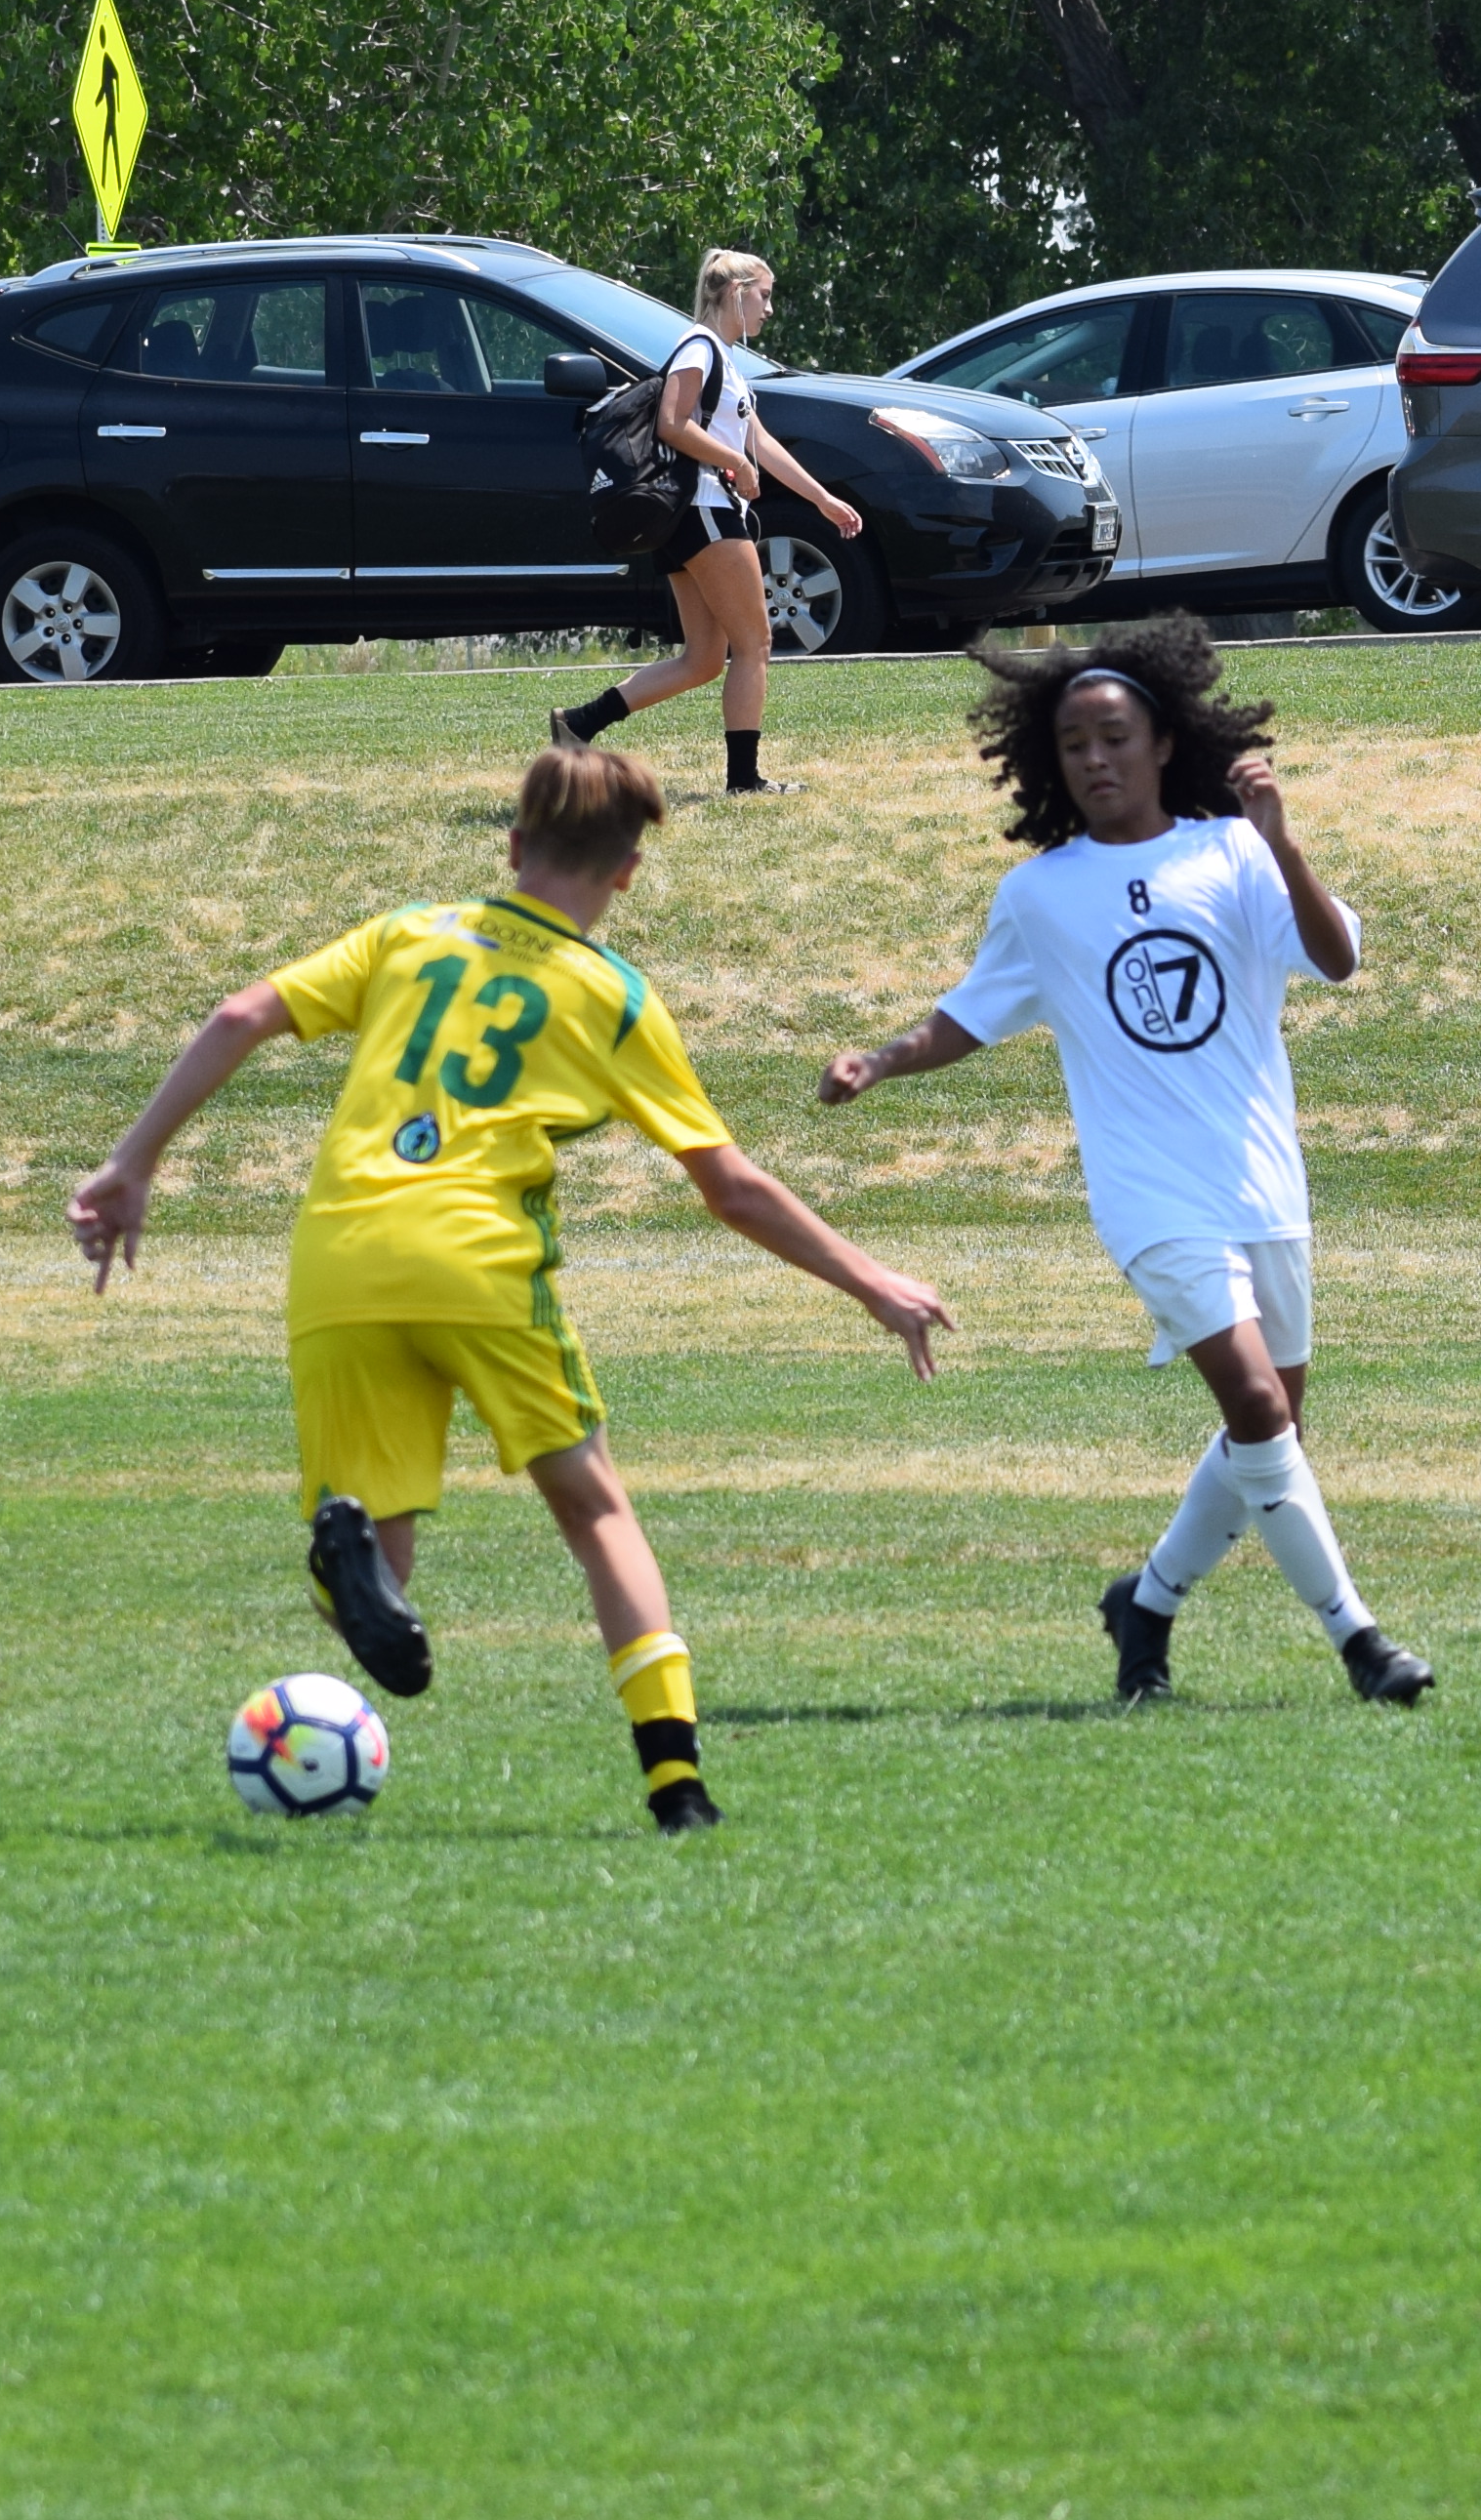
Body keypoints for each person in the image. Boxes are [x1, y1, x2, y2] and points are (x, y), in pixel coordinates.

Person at [65, 744, 951, 1833]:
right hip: (479, 1259)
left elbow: (241, 1014)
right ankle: (677, 1789)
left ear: (516, 845)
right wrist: (872, 1283)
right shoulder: (613, 996)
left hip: (340, 1253)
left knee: (376, 1571)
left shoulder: (411, 931)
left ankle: (347, 1562)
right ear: (630, 871)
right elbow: (732, 1188)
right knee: (595, 1509)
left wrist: (134, 1162)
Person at [819, 619, 1433, 1710]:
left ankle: (1145, 1601)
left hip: (1262, 1180)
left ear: (1162, 743)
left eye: (1113, 737)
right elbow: (968, 1017)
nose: (1094, 758)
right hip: (1150, 1197)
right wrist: (882, 1061)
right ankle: (1360, 1642)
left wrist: (1281, 839)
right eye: (1073, 743)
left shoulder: (1232, 852)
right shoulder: (1043, 894)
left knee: (1275, 1427)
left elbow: (1338, 961)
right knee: (1252, 1403)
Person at [550, 248, 860, 799]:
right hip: (706, 510)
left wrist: (822, 500)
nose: (769, 310)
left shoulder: (725, 358)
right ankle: (744, 780)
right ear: (735, 293)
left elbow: (760, 443)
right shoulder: (698, 347)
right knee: (755, 642)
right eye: (764, 296)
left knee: (702, 659)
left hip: (694, 518)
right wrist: (733, 462)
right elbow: (672, 422)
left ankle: (580, 722)